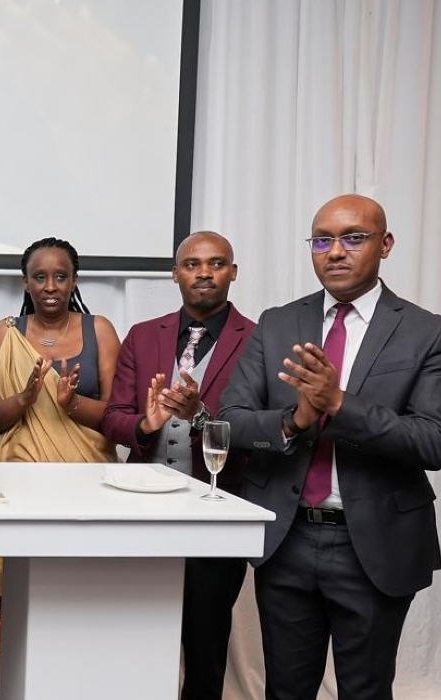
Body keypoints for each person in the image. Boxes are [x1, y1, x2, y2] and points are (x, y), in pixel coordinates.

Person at [218, 194, 441, 700]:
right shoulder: (278, 323)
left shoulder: (427, 332)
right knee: (285, 690)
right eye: (322, 240)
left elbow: (434, 441)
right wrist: (298, 417)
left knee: (365, 691)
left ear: (385, 245)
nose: (335, 251)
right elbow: (230, 423)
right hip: (287, 540)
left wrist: (339, 404)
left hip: (375, 545)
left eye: (353, 238)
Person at [0, 237, 120, 699]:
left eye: (61, 276)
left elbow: (117, 418)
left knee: (73, 600)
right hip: (13, 484)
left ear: (74, 281)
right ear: (25, 283)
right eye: (40, 277)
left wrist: (71, 406)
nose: (51, 286)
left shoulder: (101, 330)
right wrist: (26, 398)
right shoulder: (4, 333)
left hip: (85, 485)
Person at [101, 231, 255, 700]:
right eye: (191, 264)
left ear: (233, 271)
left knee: (206, 641)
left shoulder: (259, 340)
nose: (203, 272)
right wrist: (144, 427)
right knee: (138, 632)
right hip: (143, 510)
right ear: (175, 273)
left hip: (218, 509)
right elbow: (113, 419)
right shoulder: (144, 335)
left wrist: (202, 419)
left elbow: (265, 428)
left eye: (215, 263)